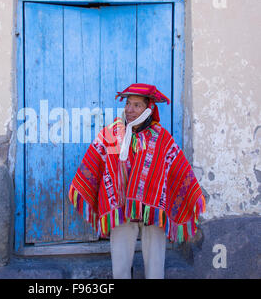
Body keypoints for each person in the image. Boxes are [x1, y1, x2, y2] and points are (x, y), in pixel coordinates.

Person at [68, 83, 205, 279]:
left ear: (148, 110)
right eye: (128, 104)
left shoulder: (161, 139)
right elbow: (97, 161)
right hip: (121, 207)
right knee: (120, 263)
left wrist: (191, 195)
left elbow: (178, 169)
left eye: (137, 105)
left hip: (153, 210)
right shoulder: (112, 134)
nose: (130, 110)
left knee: (155, 262)